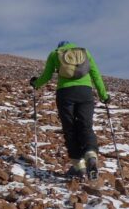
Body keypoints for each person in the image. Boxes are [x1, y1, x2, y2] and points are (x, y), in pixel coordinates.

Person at [30, 41, 109, 179]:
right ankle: (91, 155)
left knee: (70, 128)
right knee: (86, 125)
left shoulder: (55, 54)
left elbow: (47, 76)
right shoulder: (85, 52)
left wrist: (36, 83)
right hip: (85, 92)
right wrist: (104, 96)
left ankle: (79, 167)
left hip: (65, 93)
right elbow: (96, 74)